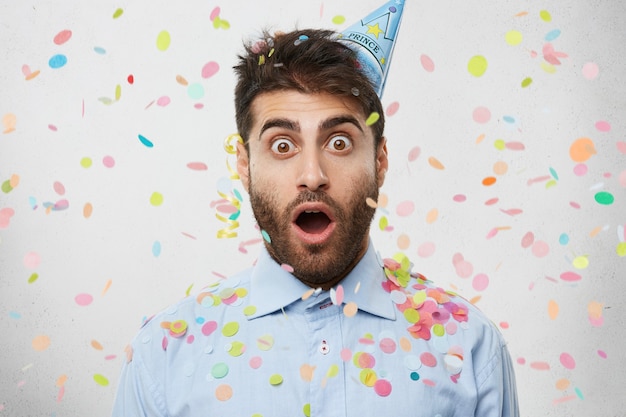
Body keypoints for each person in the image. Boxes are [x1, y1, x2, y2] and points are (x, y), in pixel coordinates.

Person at [112, 10, 519, 417]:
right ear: (244, 162)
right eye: (282, 145)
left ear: (379, 160)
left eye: (339, 142)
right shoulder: (163, 357)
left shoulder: (469, 347)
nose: (312, 175)